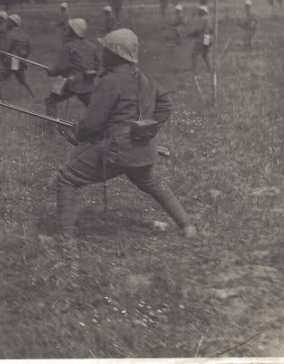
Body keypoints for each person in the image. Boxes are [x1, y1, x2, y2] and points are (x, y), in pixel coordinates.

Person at [54, 28, 197, 284]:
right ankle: (187, 226)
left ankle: (64, 239)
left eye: (105, 51)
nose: (101, 54)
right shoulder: (145, 78)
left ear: (116, 55)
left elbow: (93, 122)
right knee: (153, 183)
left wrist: (77, 134)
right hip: (142, 150)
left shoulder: (109, 81)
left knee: (66, 178)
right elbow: (165, 105)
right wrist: (146, 128)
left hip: (116, 152)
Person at [44, 18, 98, 132]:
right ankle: (101, 128)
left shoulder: (68, 46)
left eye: (69, 28)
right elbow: (97, 66)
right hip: (87, 83)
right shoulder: (92, 46)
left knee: (51, 100)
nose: (66, 29)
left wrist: (50, 71)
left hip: (70, 82)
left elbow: (61, 67)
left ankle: (51, 130)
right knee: (94, 107)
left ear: (74, 31)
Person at [0, 14, 36, 101]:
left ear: (13, 23)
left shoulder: (10, 34)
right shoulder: (24, 34)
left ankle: (2, 100)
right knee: (24, 80)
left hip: (11, 61)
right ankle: (35, 97)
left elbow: (5, 49)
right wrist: (23, 55)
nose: (7, 23)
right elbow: (30, 48)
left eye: (9, 21)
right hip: (21, 61)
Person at [188, 5, 213, 73]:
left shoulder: (202, 19)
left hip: (202, 37)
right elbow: (211, 29)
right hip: (207, 37)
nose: (198, 12)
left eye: (200, 11)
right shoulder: (208, 18)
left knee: (194, 54)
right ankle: (210, 69)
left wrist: (191, 34)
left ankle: (194, 70)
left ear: (203, 12)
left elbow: (199, 30)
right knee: (205, 54)